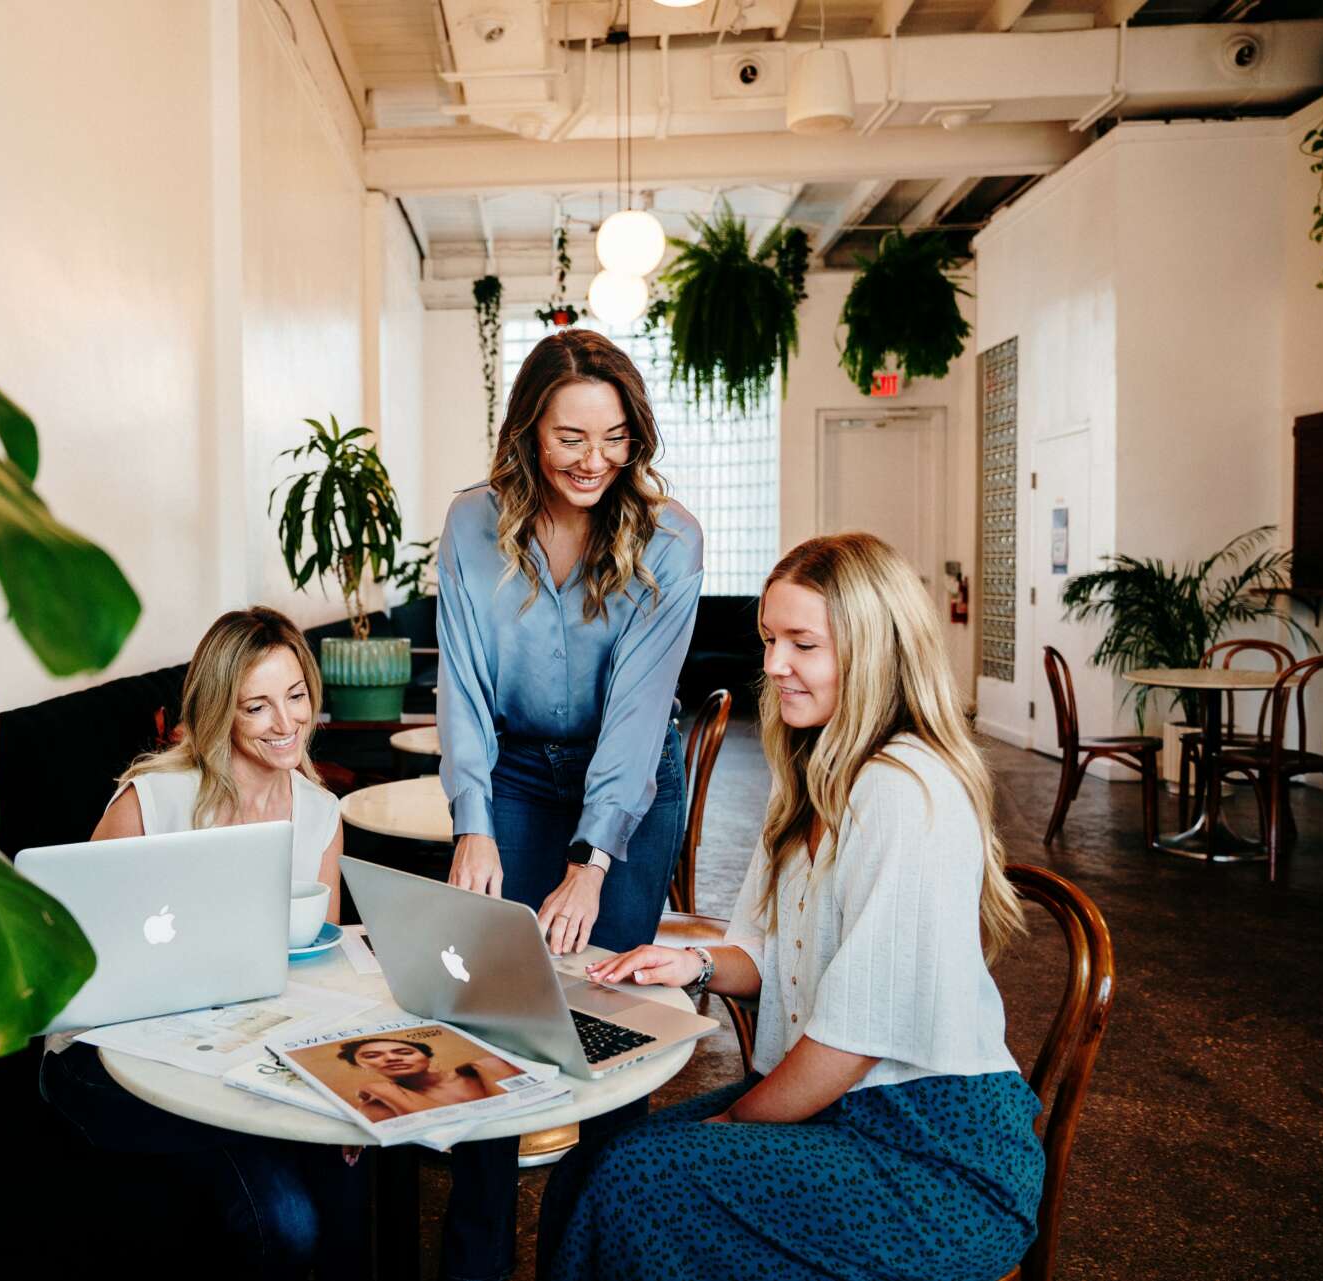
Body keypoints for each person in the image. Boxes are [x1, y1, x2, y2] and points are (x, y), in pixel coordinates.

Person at [536, 532, 1046, 1281]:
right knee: (593, 1164)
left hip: (934, 1157)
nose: (774, 665)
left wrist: (731, 1124)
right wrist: (693, 963)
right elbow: (774, 953)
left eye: (803, 645)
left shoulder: (905, 791)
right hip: (845, 1113)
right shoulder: (818, 770)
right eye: (771, 639)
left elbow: (854, 1036)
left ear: (874, 654)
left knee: (639, 1182)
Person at [433, 327, 703, 1281]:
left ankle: (592, 1256)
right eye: (571, 437)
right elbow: (463, 686)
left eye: (616, 437)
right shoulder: (470, 525)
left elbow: (635, 716)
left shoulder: (671, 540)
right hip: (511, 772)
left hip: (626, 782)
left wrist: (592, 862)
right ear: (527, 432)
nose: (595, 460)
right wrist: (473, 821)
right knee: (487, 1016)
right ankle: (473, 1262)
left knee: (609, 1020)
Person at [38, 606, 366, 1281]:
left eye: (296, 695)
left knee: (346, 1170)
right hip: (109, 1055)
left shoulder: (319, 813)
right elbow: (64, 953)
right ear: (221, 711)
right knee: (289, 1219)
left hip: (239, 1050)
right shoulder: (154, 801)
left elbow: (314, 966)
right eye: (257, 706)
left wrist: (333, 1085)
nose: (286, 722)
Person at [335, 1037, 517, 1120]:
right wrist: (388, 1092)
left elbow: (511, 1113)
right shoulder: (378, 1107)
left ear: (427, 1057)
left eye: (405, 1052)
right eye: (372, 1056)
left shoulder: (486, 1067)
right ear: (361, 1066)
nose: (391, 1058)